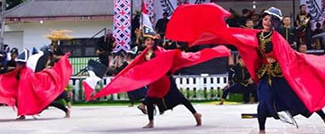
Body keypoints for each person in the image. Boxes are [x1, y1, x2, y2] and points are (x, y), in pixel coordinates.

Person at [86, 27, 228, 129]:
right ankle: (151, 122)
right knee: (151, 99)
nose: (148, 42)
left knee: (179, 98)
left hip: (165, 80)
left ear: (154, 41)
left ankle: (196, 114)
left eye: (150, 40)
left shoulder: (160, 52)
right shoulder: (145, 53)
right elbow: (135, 64)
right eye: (146, 40)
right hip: (154, 81)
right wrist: (121, 75)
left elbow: (165, 62)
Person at [254, 7, 325, 134]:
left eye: (271, 20)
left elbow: (286, 53)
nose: (267, 22)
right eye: (265, 19)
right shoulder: (256, 35)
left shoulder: (278, 37)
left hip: (280, 74)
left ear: (275, 23)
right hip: (264, 73)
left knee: (300, 97)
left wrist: (275, 57)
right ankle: (262, 130)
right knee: (263, 101)